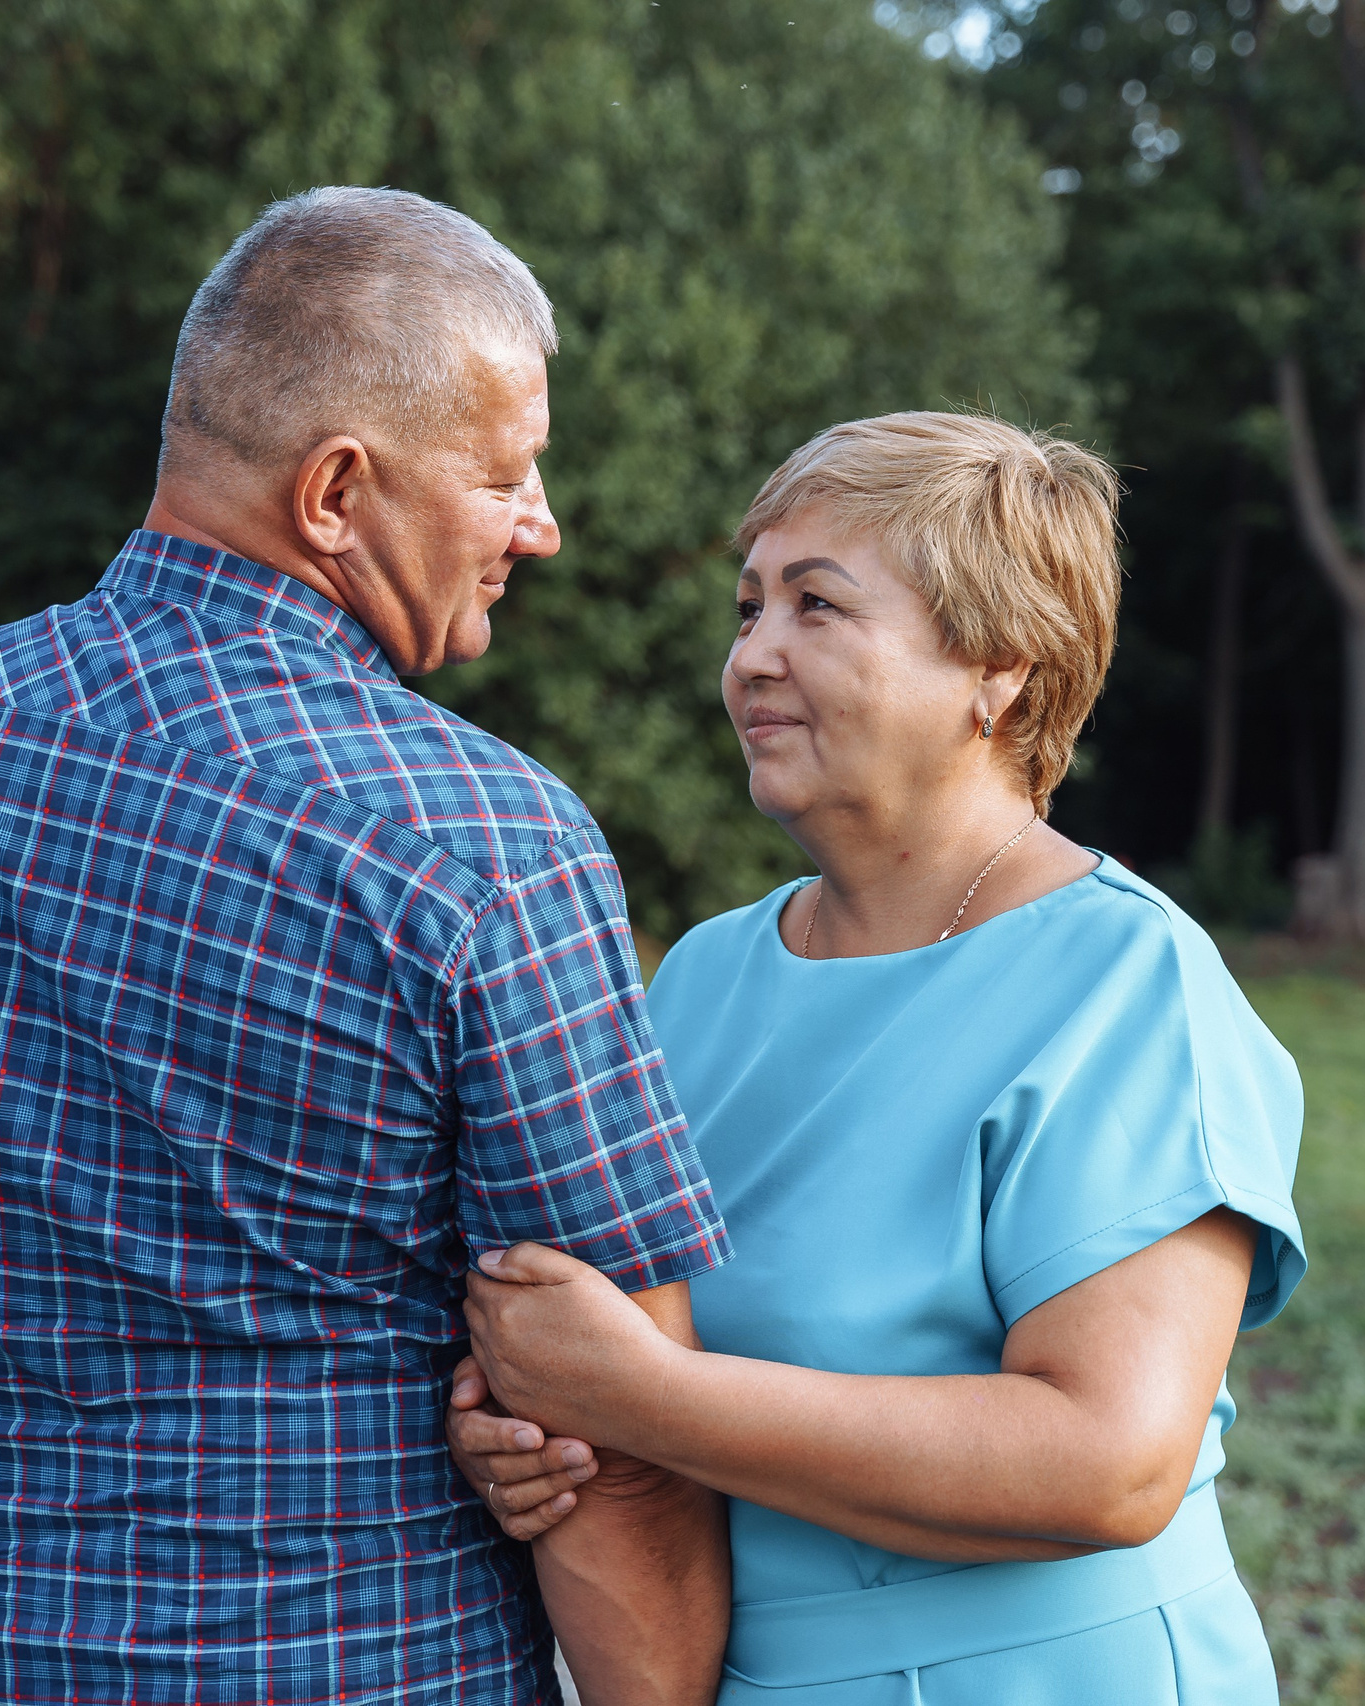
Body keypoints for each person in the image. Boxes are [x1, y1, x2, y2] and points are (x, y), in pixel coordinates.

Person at [0, 187, 735, 1706]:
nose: (544, 525)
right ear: (336, 492)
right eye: (506, 479)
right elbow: (614, 1426)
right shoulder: (487, 844)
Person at [449, 412, 1306, 1703]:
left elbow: (1108, 1456)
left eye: (817, 606)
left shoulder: (1128, 985)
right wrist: (532, 1435)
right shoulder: (699, 980)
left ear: (999, 670)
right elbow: (610, 1361)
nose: (752, 658)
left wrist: (644, 1397)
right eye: (748, 610)